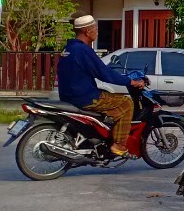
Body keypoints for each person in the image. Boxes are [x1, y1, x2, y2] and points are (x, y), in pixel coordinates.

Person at [57, 15, 146, 155]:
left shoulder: (68, 49)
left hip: (68, 96)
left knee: (113, 104)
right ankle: (119, 145)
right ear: (87, 31)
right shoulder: (84, 50)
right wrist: (130, 81)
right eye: (95, 29)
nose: (97, 32)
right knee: (126, 103)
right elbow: (104, 74)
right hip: (85, 97)